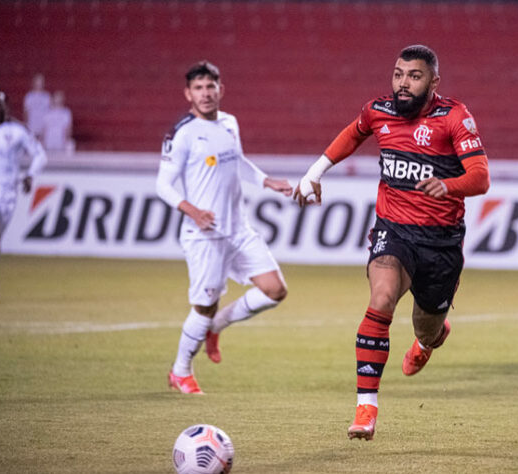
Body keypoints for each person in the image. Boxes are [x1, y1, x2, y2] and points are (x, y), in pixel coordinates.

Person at [293, 45, 490, 440]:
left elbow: (481, 178)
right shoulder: (378, 111)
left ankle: (428, 340)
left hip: (440, 243)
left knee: (427, 326)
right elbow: (354, 133)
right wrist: (314, 172)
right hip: (393, 230)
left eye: (413, 76)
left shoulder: (454, 117)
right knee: (381, 299)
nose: (403, 83)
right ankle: (366, 407)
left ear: (433, 82)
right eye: (398, 74)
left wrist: (448, 185)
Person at [156, 61, 293, 395]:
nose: (205, 93)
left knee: (275, 290)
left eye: (210, 86)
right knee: (204, 305)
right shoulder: (183, 133)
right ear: (188, 94)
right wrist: (193, 211)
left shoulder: (230, 123)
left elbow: (238, 162)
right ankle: (180, 371)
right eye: (198, 88)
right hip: (204, 235)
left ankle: (216, 327)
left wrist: (265, 181)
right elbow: (163, 184)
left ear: (221, 89)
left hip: (238, 229)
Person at [0, 90, 48, 305]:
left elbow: (40, 155)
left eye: (0, 105)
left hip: (9, 192)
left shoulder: (17, 131)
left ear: (6, 108)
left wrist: (30, 175)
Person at [23, 73, 51, 140]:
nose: (39, 84)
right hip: (32, 125)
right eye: (37, 82)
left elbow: (50, 113)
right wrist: (26, 125)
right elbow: (26, 112)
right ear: (34, 83)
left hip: (43, 127)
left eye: (41, 82)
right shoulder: (29, 96)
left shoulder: (47, 97)